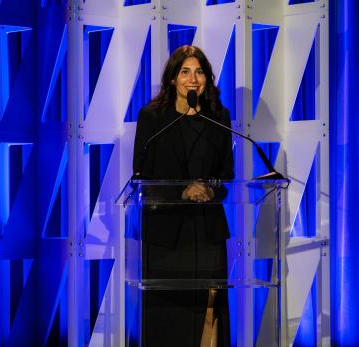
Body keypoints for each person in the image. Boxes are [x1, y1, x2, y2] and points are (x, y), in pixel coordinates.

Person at [131, 45, 233, 347]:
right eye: (185, 72)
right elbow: (142, 175)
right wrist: (182, 190)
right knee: (168, 318)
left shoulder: (218, 116)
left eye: (199, 72)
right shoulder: (152, 117)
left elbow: (226, 173)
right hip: (165, 234)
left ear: (207, 78)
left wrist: (209, 188)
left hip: (206, 231)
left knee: (208, 310)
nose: (193, 79)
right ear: (173, 78)